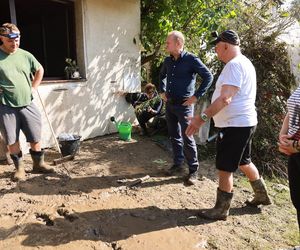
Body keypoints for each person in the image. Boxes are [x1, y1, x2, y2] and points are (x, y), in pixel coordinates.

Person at [186, 30, 271, 220]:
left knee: (225, 166)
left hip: (235, 125)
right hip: (246, 123)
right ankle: (261, 194)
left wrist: (201, 118)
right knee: (244, 161)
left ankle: (221, 209)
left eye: (217, 48)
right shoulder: (245, 63)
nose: (216, 52)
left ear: (226, 45)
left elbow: (225, 99)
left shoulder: (234, 65)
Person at [0, 23, 54, 181]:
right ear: (2, 38)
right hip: (6, 104)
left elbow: (39, 69)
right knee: (12, 138)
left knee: (34, 134)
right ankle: (20, 169)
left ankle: (39, 165)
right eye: (10, 40)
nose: (14, 43)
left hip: (27, 102)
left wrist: (34, 87)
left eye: (17, 40)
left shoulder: (25, 55)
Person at [159, 30, 213, 185]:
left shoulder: (191, 59)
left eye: (168, 42)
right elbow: (161, 75)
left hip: (184, 106)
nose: (166, 45)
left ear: (178, 43)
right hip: (170, 104)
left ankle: (193, 170)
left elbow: (208, 76)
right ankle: (177, 164)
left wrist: (196, 96)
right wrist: (162, 91)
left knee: (187, 136)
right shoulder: (168, 61)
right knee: (174, 135)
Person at [278, 85, 300, 233]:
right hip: (295, 153)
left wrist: (297, 145)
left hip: (296, 148)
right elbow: (291, 110)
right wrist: (283, 134)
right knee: (298, 201)